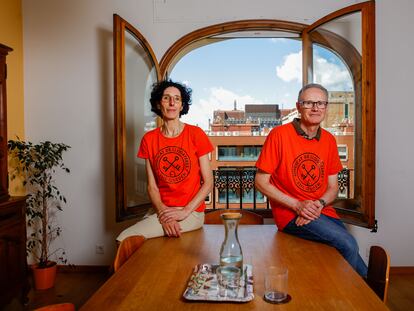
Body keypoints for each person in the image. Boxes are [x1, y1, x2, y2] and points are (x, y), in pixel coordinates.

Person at [255, 83, 367, 277]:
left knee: (349, 247)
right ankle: (353, 298)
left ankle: (367, 297)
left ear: (326, 107)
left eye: (321, 103)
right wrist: (298, 206)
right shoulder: (279, 135)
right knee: (348, 243)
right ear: (298, 106)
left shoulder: (330, 140)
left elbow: (333, 187)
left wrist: (318, 204)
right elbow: (260, 182)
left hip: (321, 210)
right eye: (309, 103)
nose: (315, 108)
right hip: (290, 215)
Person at [117, 80, 213, 241]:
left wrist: (185, 211)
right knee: (132, 244)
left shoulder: (196, 134)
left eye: (177, 98)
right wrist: (163, 213)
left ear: (182, 106)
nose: (172, 103)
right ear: (158, 103)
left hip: (191, 212)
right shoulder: (149, 139)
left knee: (124, 239)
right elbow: (152, 187)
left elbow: (209, 182)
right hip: (160, 209)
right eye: (166, 98)